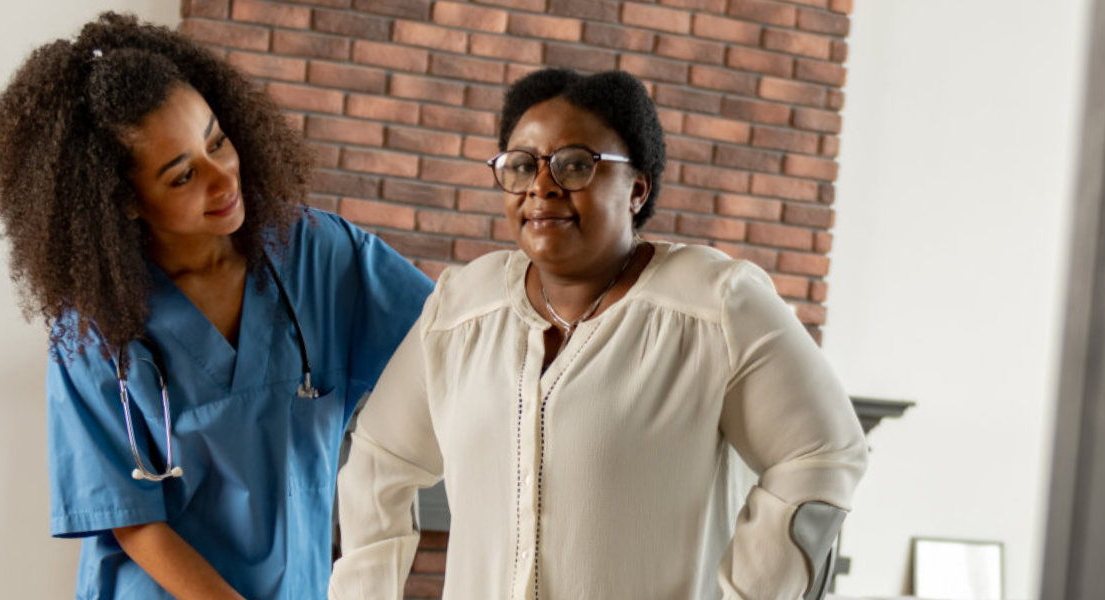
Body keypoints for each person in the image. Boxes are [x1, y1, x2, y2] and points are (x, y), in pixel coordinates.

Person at [329, 68, 869, 600]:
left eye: (574, 165)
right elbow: (377, 461)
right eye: (521, 166)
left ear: (637, 187)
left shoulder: (715, 306)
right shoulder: (459, 310)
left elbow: (825, 453)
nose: (541, 186)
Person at [0, 13, 431, 599]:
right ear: (127, 202)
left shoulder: (317, 253)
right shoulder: (93, 328)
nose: (223, 179)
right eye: (183, 175)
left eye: (217, 141)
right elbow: (132, 518)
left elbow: (451, 346)